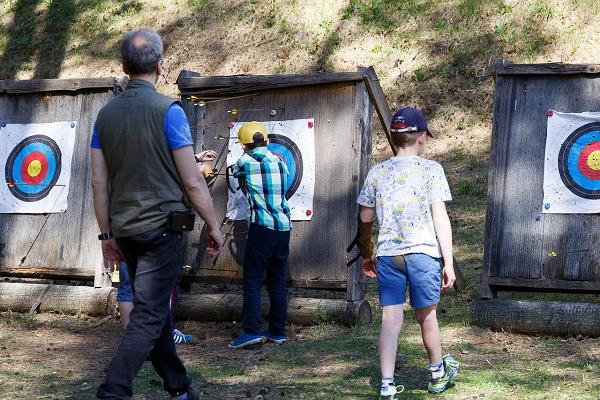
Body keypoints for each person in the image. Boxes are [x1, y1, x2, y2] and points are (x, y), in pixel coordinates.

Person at [91, 29, 223, 400]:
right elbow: (193, 181)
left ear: (123, 67)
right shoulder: (169, 111)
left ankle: (180, 388)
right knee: (149, 317)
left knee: (155, 313)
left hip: (126, 231)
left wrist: (106, 237)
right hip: (161, 231)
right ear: (160, 67)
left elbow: (99, 185)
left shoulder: (104, 116)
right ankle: (112, 391)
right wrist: (213, 226)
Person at [357, 107, 459, 398]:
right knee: (427, 316)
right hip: (423, 255)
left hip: (389, 256)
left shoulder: (377, 172)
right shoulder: (432, 170)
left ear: (393, 137)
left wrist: (367, 253)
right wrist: (448, 262)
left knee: (391, 318)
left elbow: (365, 218)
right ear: (423, 137)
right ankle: (438, 374)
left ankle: (387, 385)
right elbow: (441, 219)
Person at [115, 150, 219, 345]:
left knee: (128, 286)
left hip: (125, 227)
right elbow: (175, 170)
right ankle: (166, 332)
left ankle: (134, 340)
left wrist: (195, 158)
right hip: (154, 229)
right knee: (163, 284)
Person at [227, 121, 292, 349]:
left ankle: (252, 331)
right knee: (277, 280)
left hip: (261, 228)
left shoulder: (244, 161)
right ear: (266, 141)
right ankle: (277, 331)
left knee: (254, 280)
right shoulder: (281, 162)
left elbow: (233, 171)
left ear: (244, 146)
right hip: (283, 228)